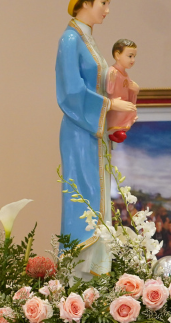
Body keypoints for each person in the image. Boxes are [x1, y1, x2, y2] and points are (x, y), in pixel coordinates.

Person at [57, 0, 135, 275]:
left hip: (94, 130)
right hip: (80, 130)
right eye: (103, 2)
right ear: (85, 2)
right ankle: (79, 275)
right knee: (84, 196)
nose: (107, 9)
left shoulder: (86, 38)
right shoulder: (70, 40)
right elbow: (71, 91)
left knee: (98, 198)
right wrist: (111, 106)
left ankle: (98, 273)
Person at [106, 39, 138, 142]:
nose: (132, 60)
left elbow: (129, 87)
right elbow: (108, 90)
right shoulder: (113, 72)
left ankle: (120, 130)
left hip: (123, 103)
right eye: (130, 56)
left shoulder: (125, 74)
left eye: (134, 57)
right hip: (116, 105)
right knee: (124, 111)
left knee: (131, 109)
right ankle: (116, 131)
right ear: (117, 55)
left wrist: (135, 89)